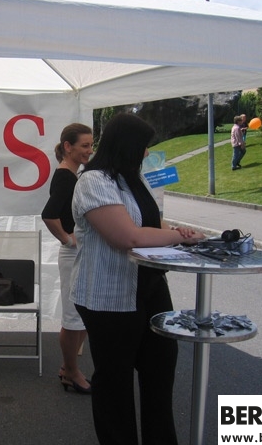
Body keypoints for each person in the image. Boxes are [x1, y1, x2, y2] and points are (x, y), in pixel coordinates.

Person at [70, 113, 204, 444]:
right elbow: (127, 237)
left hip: (151, 288)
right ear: (126, 145)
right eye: (143, 146)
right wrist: (178, 238)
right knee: (114, 384)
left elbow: (152, 224)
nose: (147, 152)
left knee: (160, 370)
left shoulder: (133, 178)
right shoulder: (93, 181)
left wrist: (177, 232)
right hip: (109, 297)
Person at [41, 123, 94, 394]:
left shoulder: (73, 174)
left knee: (81, 316)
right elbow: (49, 215)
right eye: (85, 145)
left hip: (80, 253)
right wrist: (67, 238)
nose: (89, 150)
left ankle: (69, 369)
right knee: (73, 317)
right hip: (73, 255)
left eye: (91, 145)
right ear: (67, 147)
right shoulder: (65, 176)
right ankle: (71, 371)